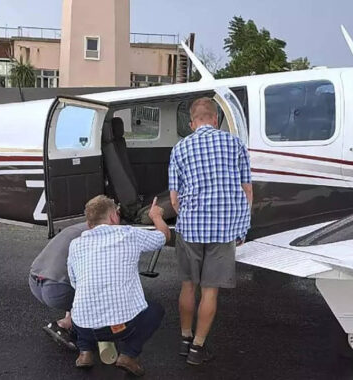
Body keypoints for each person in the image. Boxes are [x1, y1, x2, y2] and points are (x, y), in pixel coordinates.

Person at [168, 97, 253, 365]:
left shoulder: (180, 148)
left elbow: (174, 198)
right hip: (225, 229)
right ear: (216, 120)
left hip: (191, 228)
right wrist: (241, 226)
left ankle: (184, 338)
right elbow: (247, 190)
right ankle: (197, 349)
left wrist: (189, 217)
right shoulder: (236, 144)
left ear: (192, 123)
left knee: (188, 286)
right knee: (210, 291)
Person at [67, 195, 170, 377]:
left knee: (82, 303)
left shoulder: (76, 245)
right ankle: (129, 355)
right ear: (114, 216)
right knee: (156, 311)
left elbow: (74, 282)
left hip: (84, 327)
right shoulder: (128, 234)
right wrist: (156, 217)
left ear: (89, 222)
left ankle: (85, 352)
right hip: (121, 326)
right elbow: (163, 237)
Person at [29, 222, 88, 350]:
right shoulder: (97, 236)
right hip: (56, 290)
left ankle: (70, 320)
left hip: (35, 281)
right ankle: (67, 324)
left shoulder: (75, 228)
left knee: (71, 275)